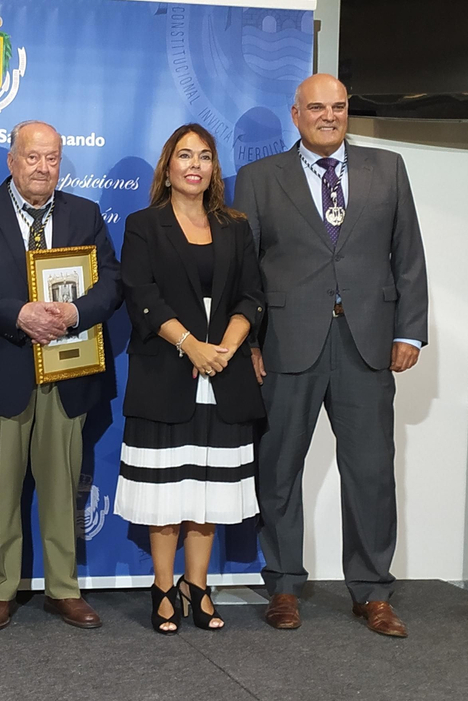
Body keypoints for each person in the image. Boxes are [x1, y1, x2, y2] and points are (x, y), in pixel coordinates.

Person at [230, 73, 428, 637]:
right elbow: (245, 270)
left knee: (370, 472)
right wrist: (250, 342)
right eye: (317, 108)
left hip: (367, 343)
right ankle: (284, 586)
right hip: (287, 343)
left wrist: (409, 332)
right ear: (295, 114)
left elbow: (408, 252)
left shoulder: (387, 168)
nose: (329, 116)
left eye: (338, 107)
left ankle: (372, 592)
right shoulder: (259, 178)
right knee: (279, 469)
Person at [0, 120, 123, 631]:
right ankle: (0, 589)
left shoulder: (84, 214)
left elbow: (111, 282)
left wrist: (75, 314)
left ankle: (63, 588)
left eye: (52, 158)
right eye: (32, 157)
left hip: (69, 372)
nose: (43, 167)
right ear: (11, 160)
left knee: (62, 486)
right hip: (1, 368)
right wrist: (19, 314)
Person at [117, 123, 265, 634]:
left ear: (213, 167)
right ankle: (162, 587)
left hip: (224, 369)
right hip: (167, 368)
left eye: (204, 156)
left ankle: (196, 587)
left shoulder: (235, 226)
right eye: (185, 155)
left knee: (208, 490)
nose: (195, 165)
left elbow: (252, 294)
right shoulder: (143, 224)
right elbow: (141, 293)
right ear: (169, 165)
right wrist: (192, 346)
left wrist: (226, 345)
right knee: (166, 491)